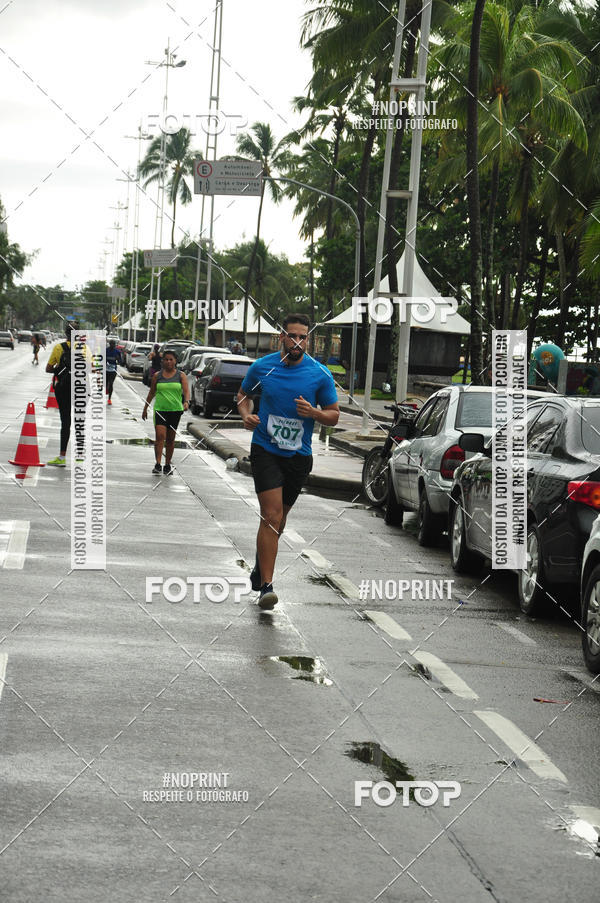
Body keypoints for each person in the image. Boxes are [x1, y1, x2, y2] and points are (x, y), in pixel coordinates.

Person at [236, 313, 339, 610]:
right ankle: (267, 586)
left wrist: (314, 413)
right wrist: (246, 416)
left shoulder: (320, 374)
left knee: (279, 520)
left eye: (302, 337)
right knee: (271, 515)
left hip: (298, 456)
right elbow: (243, 395)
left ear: (310, 340)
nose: (297, 341)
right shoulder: (262, 367)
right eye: (292, 336)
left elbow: (333, 414)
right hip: (265, 450)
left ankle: (260, 567)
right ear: (282, 337)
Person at [142, 350, 189, 475]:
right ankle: (158, 464)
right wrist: (145, 408)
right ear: (162, 361)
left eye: (171, 359)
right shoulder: (158, 375)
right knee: (160, 436)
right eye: (166, 359)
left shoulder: (181, 375)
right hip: (160, 410)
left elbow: (186, 391)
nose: (168, 362)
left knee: (170, 439)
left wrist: (186, 402)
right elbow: (152, 392)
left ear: (175, 361)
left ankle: (167, 464)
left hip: (175, 411)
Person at [45, 322, 79, 467]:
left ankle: (62, 456)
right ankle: (81, 457)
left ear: (65, 333)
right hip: (80, 389)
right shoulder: (85, 349)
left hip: (64, 388)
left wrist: (61, 371)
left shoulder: (59, 348)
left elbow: (48, 368)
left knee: (65, 421)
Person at [105, 339, 122, 405]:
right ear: (110, 344)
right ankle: (107, 388)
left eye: (113, 345)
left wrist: (118, 359)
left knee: (111, 383)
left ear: (115, 345)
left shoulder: (117, 352)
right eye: (111, 344)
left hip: (113, 370)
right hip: (106, 370)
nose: (112, 346)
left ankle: (109, 399)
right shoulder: (106, 350)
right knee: (106, 383)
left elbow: (121, 362)